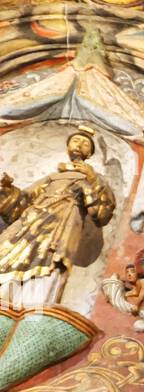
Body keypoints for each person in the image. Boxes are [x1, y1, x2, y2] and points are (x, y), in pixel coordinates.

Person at [0, 128, 115, 310]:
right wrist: (8, 189)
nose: (79, 144)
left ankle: (33, 306)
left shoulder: (96, 179)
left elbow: (102, 212)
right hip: (32, 221)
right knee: (9, 252)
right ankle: (6, 297)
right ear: (68, 146)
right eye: (76, 140)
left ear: (90, 153)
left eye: (85, 144)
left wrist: (91, 179)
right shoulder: (53, 177)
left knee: (49, 262)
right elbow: (24, 201)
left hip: (63, 225)